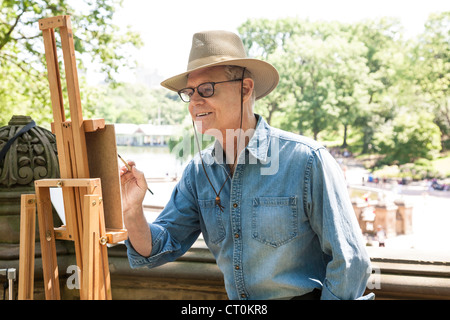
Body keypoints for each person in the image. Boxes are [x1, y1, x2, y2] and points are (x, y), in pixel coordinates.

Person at [120, 30, 374, 300]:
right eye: (189, 92)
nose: (194, 101)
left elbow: (350, 262)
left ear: (245, 88)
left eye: (206, 89)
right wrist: (132, 210)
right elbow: (157, 248)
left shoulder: (306, 159)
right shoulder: (198, 172)